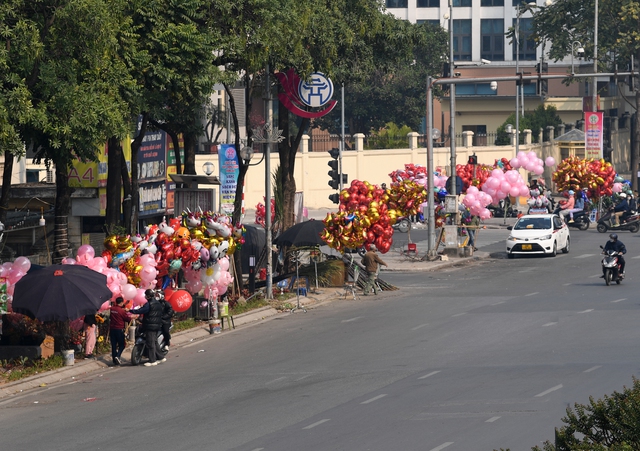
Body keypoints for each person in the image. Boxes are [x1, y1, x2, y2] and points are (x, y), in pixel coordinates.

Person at [132, 289, 165, 366]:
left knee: (150, 343)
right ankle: (160, 357)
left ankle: (152, 360)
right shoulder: (158, 303)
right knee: (155, 342)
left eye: (146, 295)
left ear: (148, 296)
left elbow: (141, 311)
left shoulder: (149, 304)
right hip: (157, 325)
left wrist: (131, 311)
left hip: (150, 325)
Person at [109, 296, 134, 365]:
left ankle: (114, 360)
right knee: (122, 345)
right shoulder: (121, 311)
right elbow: (127, 318)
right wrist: (131, 317)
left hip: (112, 328)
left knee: (113, 345)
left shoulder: (112, 309)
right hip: (119, 329)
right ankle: (118, 356)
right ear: (121, 302)